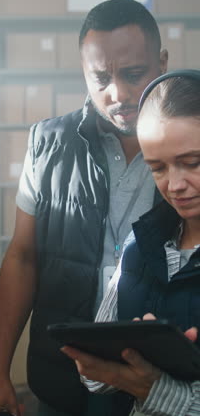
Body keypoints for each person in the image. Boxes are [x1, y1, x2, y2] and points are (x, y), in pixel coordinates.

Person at [0, 0, 168, 416]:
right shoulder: (47, 144)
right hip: (62, 378)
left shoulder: (190, 145)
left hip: (161, 381)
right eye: (100, 78)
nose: (116, 93)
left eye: (134, 74)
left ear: (162, 63)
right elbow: (22, 258)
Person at [62, 69, 200, 416]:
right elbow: (95, 380)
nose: (174, 185)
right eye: (158, 168)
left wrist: (152, 387)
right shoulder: (139, 246)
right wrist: (109, 360)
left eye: (192, 163)